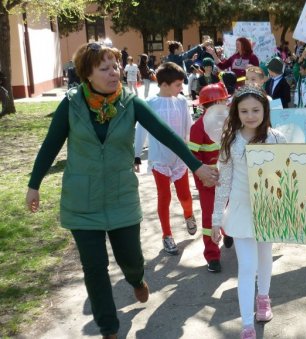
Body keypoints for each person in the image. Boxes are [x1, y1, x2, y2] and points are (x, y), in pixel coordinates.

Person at [25, 42, 218, 339]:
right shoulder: (72, 104)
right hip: (82, 200)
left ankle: (136, 279)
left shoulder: (129, 102)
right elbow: (51, 144)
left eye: (115, 66)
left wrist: (196, 166)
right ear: (87, 74)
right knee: (95, 267)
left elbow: (166, 135)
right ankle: (108, 327)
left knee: (130, 258)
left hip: (121, 196)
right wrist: (33, 184)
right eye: (104, 68)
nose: (114, 73)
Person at [211, 85, 287, 339]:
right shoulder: (231, 141)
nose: (251, 115)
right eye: (244, 111)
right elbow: (224, 182)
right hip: (242, 210)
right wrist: (215, 219)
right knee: (247, 265)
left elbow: (287, 176)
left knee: (265, 257)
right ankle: (246, 325)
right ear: (236, 112)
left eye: (256, 109)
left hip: (268, 209)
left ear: (265, 110)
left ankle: (263, 298)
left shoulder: (277, 138)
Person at [134, 62, 198, 255]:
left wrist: (191, 152)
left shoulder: (181, 102)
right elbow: (140, 130)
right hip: (159, 159)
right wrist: (136, 154)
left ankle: (189, 214)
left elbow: (188, 127)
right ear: (164, 84)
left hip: (179, 160)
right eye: (178, 85)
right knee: (164, 196)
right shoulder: (149, 103)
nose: (181, 89)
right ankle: (167, 235)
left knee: (185, 195)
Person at [188, 83, 233, 273]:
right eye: (223, 100)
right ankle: (212, 255)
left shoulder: (231, 123)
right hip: (208, 182)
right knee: (209, 218)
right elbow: (193, 158)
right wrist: (204, 178)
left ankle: (227, 230)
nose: (226, 103)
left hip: (230, 178)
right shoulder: (198, 127)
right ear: (215, 103)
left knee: (231, 210)